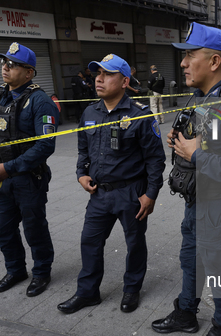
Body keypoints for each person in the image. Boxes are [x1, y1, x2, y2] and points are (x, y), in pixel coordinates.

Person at [151, 22, 221, 336]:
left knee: (218, 267)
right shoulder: (202, 96)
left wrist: (195, 154)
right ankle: (186, 313)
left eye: (190, 56)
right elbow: (201, 136)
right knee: (191, 261)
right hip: (197, 200)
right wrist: (180, 142)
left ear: (214, 61)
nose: (182, 63)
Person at [57, 54, 166, 315]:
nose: (99, 79)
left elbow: (156, 159)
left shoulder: (140, 115)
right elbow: (83, 149)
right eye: (97, 74)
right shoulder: (89, 112)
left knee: (135, 244)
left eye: (107, 74)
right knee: (90, 242)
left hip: (131, 193)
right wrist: (81, 174)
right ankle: (87, 292)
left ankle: (131, 289)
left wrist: (150, 195)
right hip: (99, 194)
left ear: (125, 81)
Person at [0, 42, 58, 297]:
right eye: (4, 62)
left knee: (34, 229)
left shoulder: (41, 102)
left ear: (29, 73)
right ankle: (15, 270)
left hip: (28, 178)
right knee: (4, 230)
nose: (6, 67)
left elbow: (46, 145)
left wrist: (10, 167)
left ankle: (41, 273)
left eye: (13, 64)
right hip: (0, 179)